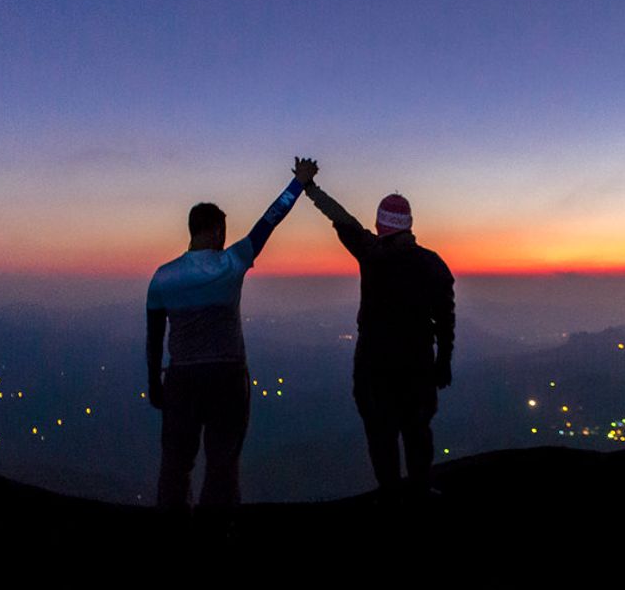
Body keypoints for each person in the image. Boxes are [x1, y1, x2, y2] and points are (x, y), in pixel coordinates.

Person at [145, 157, 317, 516]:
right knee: (222, 463)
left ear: (191, 230)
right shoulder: (232, 262)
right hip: (226, 377)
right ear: (216, 230)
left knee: (176, 463)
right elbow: (270, 220)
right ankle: (217, 532)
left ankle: (170, 529)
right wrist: (299, 183)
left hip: (181, 378)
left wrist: (155, 382)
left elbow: (154, 335)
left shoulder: (163, 277)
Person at [299, 163, 455, 503]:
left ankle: (390, 498)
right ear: (409, 225)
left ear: (381, 224)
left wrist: (309, 187)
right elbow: (446, 320)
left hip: (375, 366)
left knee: (381, 437)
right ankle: (420, 491)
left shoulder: (371, 253)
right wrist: (443, 363)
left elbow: (340, 217)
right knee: (417, 434)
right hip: (418, 367)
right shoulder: (433, 264)